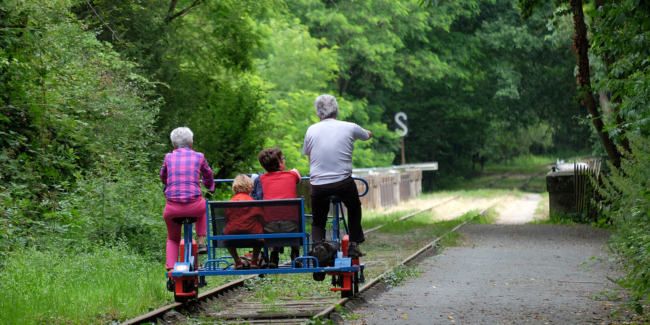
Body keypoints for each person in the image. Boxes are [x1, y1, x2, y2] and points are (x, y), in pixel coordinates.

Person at [302, 95, 372, 258]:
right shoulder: (350, 127)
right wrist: (368, 132)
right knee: (354, 207)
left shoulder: (311, 129)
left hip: (318, 185)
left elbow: (310, 158)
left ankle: (318, 247)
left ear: (318, 114)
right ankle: (353, 245)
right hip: (343, 183)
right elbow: (367, 135)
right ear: (337, 111)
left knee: (318, 219)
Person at [160, 127, 215, 271]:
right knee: (203, 206)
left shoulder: (168, 157)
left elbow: (163, 176)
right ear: (191, 144)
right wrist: (207, 185)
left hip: (172, 208)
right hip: (194, 206)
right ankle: (202, 242)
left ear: (173, 145)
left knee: (173, 238)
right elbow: (208, 175)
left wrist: (168, 183)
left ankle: (172, 270)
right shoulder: (199, 157)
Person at [257, 147, 302, 268]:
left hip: (269, 227)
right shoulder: (292, 175)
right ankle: (295, 254)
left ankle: (274, 255)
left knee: (273, 221)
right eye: (283, 159)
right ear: (280, 163)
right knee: (292, 220)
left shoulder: (262, 178)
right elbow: (298, 175)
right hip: (291, 227)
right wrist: (294, 170)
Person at [224, 174, 266, 270]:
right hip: (254, 237)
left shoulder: (229, 203)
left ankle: (237, 261)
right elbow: (261, 218)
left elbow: (226, 218)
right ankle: (254, 260)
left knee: (227, 232)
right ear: (250, 188)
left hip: (232, 237)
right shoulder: (254, 202)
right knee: (259, 232)